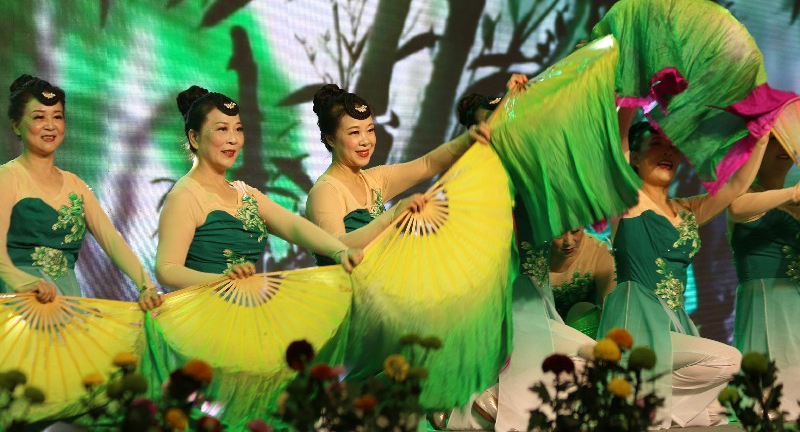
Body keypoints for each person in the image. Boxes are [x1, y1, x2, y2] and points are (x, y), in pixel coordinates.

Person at [598, 114, 769, 428]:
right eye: (656, 145)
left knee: (719, 410)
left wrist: (761, 140)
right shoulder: (628, 200)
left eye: (672, 147)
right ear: (633, 157)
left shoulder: (687, 210)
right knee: (729, 361)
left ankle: (645, 405)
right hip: (637, 319)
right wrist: (628, 101)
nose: (667, 152)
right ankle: (641, 405)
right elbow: (617, 142)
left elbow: (736, 187)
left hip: (675, 323)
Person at [449, 75, 595, 431]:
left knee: (584, 367)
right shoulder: (475, 183)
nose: (500, 133)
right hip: (506, 306)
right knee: (585, 365)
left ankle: (476, 408)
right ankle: (476, 408)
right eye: (490, 127)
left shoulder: (528, 176)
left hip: (537, 302)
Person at [155, 86, 362, 288]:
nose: (233, 139)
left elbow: (293, 226)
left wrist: (339, 250)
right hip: (205, 308)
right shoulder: (184, 196)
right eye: (222, 129)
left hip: (246, 303)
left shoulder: (244, 193)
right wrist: (222, 280)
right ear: (194, 137)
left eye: (238, 129)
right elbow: (167, 269)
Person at [0, 75, 161, 310]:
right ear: (16, 125)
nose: (50, 125)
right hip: (18, 305)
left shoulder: (75, 185)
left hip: (68, 304)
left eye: (57, 117)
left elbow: (112, 241)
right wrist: (22, 282)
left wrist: (146, 285)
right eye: (39, 117)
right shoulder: (7, 178)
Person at [305, 84, 490, 260]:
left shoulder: (373, 180)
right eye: (354, 133)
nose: (366, 140)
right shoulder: (326, 191)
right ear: (330, 139)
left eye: (370, 130)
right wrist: (392, 216)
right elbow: (336, 247)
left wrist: (467, 141)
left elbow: (427, 164)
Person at [727, 134, 800, 420]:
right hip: (766, 303)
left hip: (795, 302)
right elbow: (737, 209)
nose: (782, 148)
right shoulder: (743, 196)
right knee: (769, 402)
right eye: (773, 141)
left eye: (786, 140)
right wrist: (792, 194)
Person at [549, 227, 616, 339]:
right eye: (558, 234)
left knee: (581, 309)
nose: (568, 242)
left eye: (575, 231)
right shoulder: (528, 251)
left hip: (581, 334)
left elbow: (612, 308)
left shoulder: (598, 251)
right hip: (540, 328)